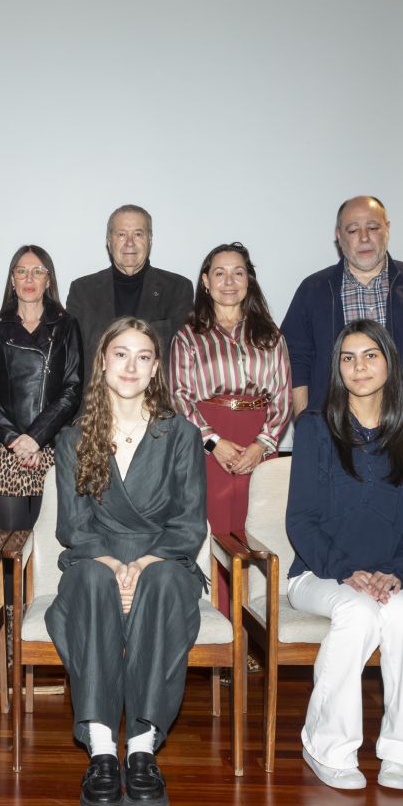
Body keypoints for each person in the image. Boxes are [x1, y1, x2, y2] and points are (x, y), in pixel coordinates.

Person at [45, 317, 206, 806]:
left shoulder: (180, 433)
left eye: (143, 356)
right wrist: (115, 564)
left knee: (159, 582)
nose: (131, 365)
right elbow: (74, 525)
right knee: (91, 579)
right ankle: (100, 751)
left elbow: (189, 521)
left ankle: (140, 750)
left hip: (167, 559)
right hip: (96, 557)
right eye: (120, 353)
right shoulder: (74, 438)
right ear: (103, 362)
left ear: (156, 367)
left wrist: (148, 561)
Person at [285, 319, 403, 791]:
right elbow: (300, 520)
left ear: (389, 362)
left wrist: (394, 573)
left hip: (391, 577)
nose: (359, 366)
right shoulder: (313, 428)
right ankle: (326, 746)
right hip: (319, 574)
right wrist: (347, 571)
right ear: (337, 368)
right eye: (347, 358)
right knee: (357, 614)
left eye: (370, 355)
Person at [169, 242, 290, 615]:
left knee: (257, 531)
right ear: (205, 282)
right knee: (217, 533)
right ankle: (221, 629)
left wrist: (261, 445)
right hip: (209, 443)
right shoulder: (188, 336)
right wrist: (213, 443)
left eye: (238, 272)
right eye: (219, 273)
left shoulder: (271, 335)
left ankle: (255, 628)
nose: (229, 281)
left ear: (249, 280)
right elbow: (178, 396)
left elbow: (282, 395)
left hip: (259, 441)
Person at [280, 196, 403, 428]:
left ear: (387, 229)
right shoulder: (314, 289)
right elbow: (295, 358)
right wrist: (305, 422)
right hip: (332, 428)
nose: (364, 238)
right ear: (339, 236)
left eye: (373, 228)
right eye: (353, 230)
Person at [0, 245, 82, 532]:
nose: (29, 279)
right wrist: (15, 439)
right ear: (12, 279)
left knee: (49, 545)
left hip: (52, 445)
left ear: (48, 280)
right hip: (3, 446)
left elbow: (72, 388)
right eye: (21, 271)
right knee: (8, 545)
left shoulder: (67, 326)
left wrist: (36, 438)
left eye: (37, 272)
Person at [65, 204, 193, 375]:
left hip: (155, 399)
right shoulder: (82, 291)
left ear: (150, 240)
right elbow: (73, 362)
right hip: (96, 399)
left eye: (138, 234)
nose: (130, 242)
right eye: (122, 234)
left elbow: (181, 361)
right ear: (109, 242)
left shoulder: (177, 289)